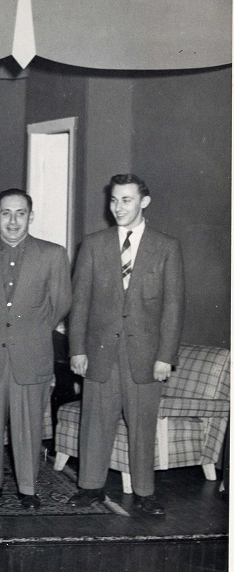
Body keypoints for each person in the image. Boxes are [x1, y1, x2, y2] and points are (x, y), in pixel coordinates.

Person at [67, 174, 184, 517]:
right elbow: (80, 303)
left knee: (142, 426)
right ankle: (90, 487)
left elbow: (174, 306)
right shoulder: (93, 244)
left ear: (144, 202)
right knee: (95, 423)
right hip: (100, 353)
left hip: (146, 357)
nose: (118, 207)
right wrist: (77, 349)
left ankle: (145, 493)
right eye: (114, 200)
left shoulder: (166, 247)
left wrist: (166, 357)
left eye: (127, 200)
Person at [0, 189, 71, 509]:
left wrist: (31, 330)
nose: (12, 220)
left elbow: (61, 302)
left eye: (20, 213)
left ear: (30, 217)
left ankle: (28, 488)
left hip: (31, 353)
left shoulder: (53, 254)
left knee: (28, 426)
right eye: (5, 213)